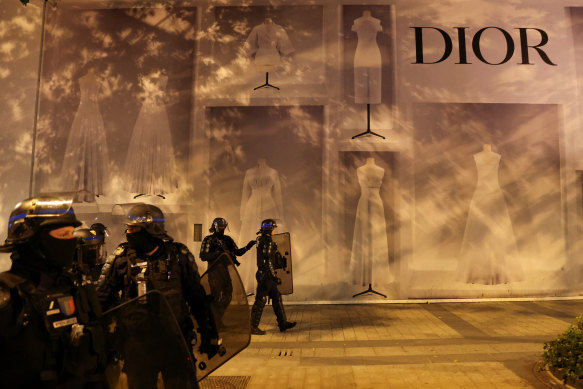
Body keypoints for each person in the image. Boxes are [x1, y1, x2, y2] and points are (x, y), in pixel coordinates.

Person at [97, 203, 219, 389]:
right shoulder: (121, 258)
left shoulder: (178, 257)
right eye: (128, 228)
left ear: (150, 230)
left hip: (175, 342)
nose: (128, 232)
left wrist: (208, 332)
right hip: (137, 345)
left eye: (134, 228)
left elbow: (198, 299)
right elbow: (102, 300)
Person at [0, 195, 107, 388]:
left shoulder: (76, 287)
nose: (70, 243)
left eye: (72, 235)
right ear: (32, 239)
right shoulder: (7, 294)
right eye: (63, 235)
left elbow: (94, 365)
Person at [200, 217, 256, 324]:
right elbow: (203, 255)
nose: (222, 228)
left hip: (225, 272)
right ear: (214, 226)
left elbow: (237, 253)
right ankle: (214, 322)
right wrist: (219, 254)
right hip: (214, 272)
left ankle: (216, 318)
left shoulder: (228, 239)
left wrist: (248, 247)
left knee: (228, 295)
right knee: (216, 297)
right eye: (220, 226)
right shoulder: (208, 239)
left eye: (223, 226)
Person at [250, 219, 296, 335]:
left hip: (265, 274)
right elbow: (267, 261)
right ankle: (252, 327)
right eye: (273, 228)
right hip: (266, 276)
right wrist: (273, 277)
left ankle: (283, 324)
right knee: (260, 300)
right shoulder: (267, 241)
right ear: (269, 229)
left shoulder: (262, 240)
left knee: (276, 297)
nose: (275, 230)